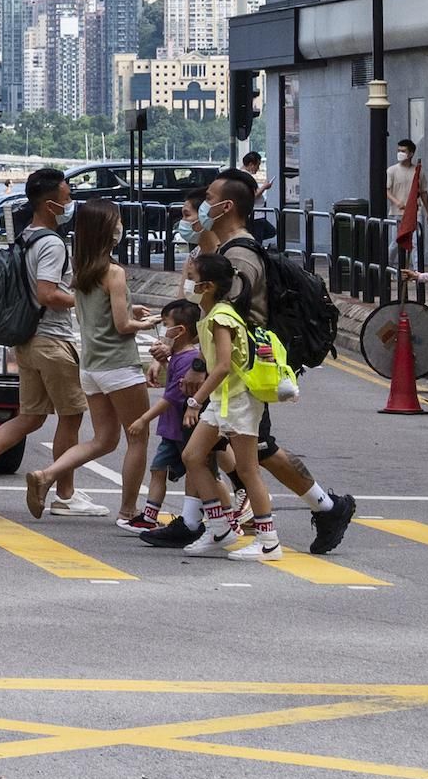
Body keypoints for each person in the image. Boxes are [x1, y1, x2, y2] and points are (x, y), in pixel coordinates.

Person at [140, 171, 355, 552]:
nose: (201, 205)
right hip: (229, 375)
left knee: (256, 451)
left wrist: (199, 367)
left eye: (208, 198)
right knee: (203, 447)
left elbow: (227, 316)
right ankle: (201, 522)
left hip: (239, 375)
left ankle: (319, 510)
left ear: (226, 206)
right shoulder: (227, 248)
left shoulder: (239, 255)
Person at [0, 166, 80, 517]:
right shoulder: (52, 244)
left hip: (26, 339)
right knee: (71, 417)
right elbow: (47, 293)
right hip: (52, 339)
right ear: (50, 203)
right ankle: (66, 494)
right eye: (66, 195)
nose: (70, 200)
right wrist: (83, 300)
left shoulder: (25, 236)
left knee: (30, 416)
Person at [27, 200, 145, 520]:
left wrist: (131, 312)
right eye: (117, 221)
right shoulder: (114, 272)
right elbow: (122, 326)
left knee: (104, 439)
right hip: (120, 365)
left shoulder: (82, 272)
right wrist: (150, 324)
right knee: (138, 436)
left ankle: (47, 475)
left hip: (91, 367)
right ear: (108, 229)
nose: (121, 226)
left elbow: (94, 315)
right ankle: (129, 509)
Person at [172, 250, 287, 562]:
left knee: (248, 470)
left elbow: (222, 366)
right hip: (223, 401)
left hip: (238, 402)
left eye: (191, 278)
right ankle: (220, 527)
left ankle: (268, 541)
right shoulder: (210, 314)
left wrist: (195, 400)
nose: (186, 284)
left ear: (207, 286)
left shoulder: (222, 317)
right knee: (192, 456)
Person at [126, 297, 202, 535]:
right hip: (172, 430)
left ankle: (225, 517)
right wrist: (164, 361)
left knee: (204, 475)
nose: (162, 330)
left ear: (180, 330)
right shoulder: (179, 357)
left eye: (165, 324)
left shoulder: (189, 360)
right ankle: (149, 515)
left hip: (184, 429)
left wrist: (143, 419)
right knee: (158, 470)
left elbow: (170, 398)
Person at [385, 139, 427, 295]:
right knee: (395, 244)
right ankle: (388, 269)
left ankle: (416, 272)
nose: (400, 153)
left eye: (403, 151)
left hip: (415, 213)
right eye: (399, 150)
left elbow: (423, 192)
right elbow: (387, 190)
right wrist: (398, 202)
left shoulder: (418, 171)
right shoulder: (392, 171)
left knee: (416, 243)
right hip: (396, 213)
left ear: (411, 153)